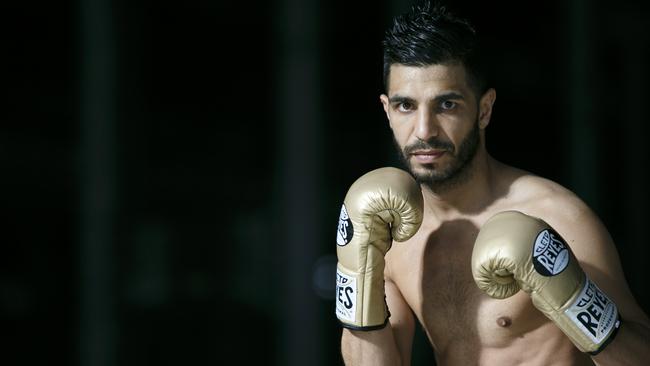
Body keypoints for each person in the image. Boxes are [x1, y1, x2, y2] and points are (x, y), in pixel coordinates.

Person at [334, 2, 650, 365]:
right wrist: (355, 281)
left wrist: (577, 303)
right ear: (387, 111)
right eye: (406, 106)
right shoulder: (390, 234)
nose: (424, 131)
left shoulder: (559, 219)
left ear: (484, 110)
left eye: (447, 105)